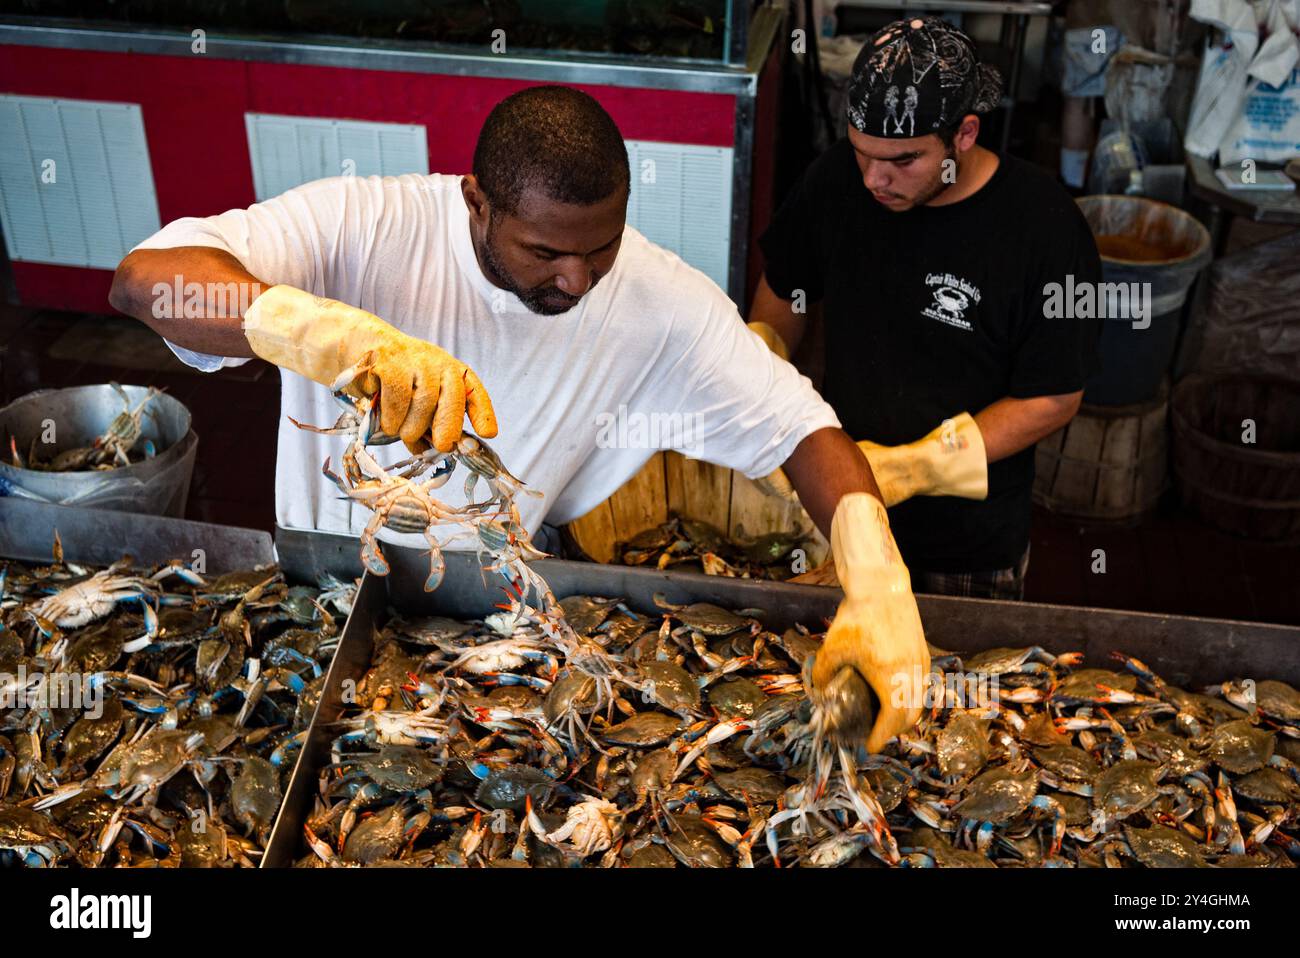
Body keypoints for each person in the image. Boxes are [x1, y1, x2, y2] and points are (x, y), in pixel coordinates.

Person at [110, 85, 923, 749]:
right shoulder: (363, 225)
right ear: (477, 201)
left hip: (492, 617)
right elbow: (146, 281)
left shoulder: (660, 299)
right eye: (545, 253)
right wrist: (329, 335)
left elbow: (803, 430)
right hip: (319, 592)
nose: (577, 280)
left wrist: (878, 577)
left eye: (600, 249)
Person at [749, 16, 1102, 601]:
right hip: (834, 511)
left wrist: (917, 466)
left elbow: (1053, 396)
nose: (875, 179)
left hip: (963, 546)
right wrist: (761, 369)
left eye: (904, 161)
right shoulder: (836, 181)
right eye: (862, 153)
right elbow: (787, 289)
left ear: (964, 134)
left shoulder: (1044, 228)